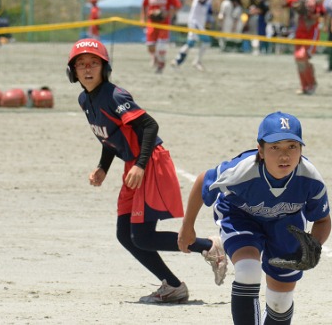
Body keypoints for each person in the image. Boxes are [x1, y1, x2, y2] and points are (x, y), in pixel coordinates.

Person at [65, 38, 227, 304]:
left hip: (150, 162)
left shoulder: (114, 96)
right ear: (73, 72)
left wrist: (140, 165)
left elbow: (150, 126)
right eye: (81, 64)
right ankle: (173, 286)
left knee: (141, 236)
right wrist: (103, 168)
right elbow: (112, 137)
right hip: (135, 164)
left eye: (94, 63)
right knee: (125, 234)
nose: (87, 68)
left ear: (104, 68)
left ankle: (209, 246)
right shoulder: (85, 99)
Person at [178, 111, 331, 325]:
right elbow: (204, 180)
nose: (284, 156)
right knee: (248, 270)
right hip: (241, 217)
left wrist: (313, 245)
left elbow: (322, 219)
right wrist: (188, 226)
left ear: (301, 150)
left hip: (286, 226)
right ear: (260, 150)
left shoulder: (310, 178)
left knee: (281, 301)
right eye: (274, 147)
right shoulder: (242, 170)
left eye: (292, 147)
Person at [284, 0, 325, 95]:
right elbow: (283, 4)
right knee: (298, 59)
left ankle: (311, 84)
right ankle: (304, 85)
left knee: (303, 57)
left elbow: (321, 13)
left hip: (311, 31)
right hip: (299, 32)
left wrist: (310, 14)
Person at [141, 0, 181, 74]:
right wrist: (143, 18)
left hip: (163, 24)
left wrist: (168, 13)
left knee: (161, 48)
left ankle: (161, 65)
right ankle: (154, 57)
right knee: (150, 47)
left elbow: (177, 6)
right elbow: (144, 6)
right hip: (152, 23)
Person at [171, 0, 215, 71]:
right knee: (206, 41)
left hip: (200, 23)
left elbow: (209, 10)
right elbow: (201, 2)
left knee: (190, 43)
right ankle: (197, 61)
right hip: (194, 22)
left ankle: (177, 60)